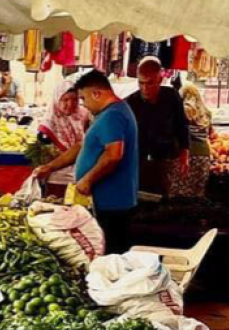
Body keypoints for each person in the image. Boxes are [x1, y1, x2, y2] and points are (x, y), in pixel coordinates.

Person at [70, 68, 140, 253]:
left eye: (84, 99)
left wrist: (87, 179)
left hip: (112, 202)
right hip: (112, 200)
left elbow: (113, 154)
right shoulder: (115, 111)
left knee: (112, 254)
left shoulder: (113, 115)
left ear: (97, 93)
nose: (83, 105)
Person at [126, 56, 190, 197]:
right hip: (139, 161)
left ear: (160, 80)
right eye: (141, 83)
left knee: (165, 199)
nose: (145, 88)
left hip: (167, 158)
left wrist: (184, 153)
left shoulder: (171, 96)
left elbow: (182, 124)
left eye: (150, 83)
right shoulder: (131, 103)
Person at [31, 81, 91, 187]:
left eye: (74, 99)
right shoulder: (49, 124)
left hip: (81, 177)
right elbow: (44, 156)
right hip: (56, 179)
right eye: (65, 99)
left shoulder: (83, 115)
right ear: (57, 100)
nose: (70, 104)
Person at [178, 83, 213, 197]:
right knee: (198, 193)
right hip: (204, 155)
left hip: (188, 155)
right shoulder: (206, 112)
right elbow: (211, 134)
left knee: (183, 191)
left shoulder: (184, 109)